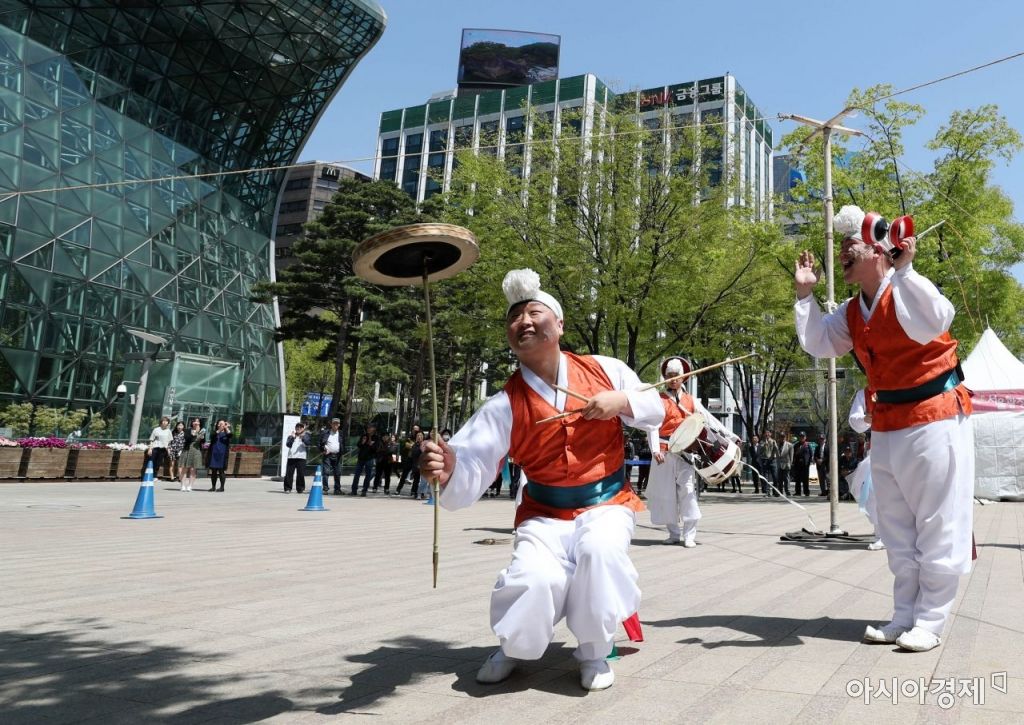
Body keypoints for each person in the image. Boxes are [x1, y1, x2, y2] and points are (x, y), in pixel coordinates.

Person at [420, 268, 663, 691]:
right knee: (534, 578)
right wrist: (449, 465)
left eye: (534, 312)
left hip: (607, 503)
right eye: (515, 317)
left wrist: (621, 400)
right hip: (543, 513)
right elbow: (471, 459)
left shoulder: (605, 370)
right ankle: (515, 647)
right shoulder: (505, 403)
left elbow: (655, 407)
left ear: (560, 324)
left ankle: (594, 650)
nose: (524, 322)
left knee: (600, 551)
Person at [794, 203, 973, 653]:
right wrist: (805, 296)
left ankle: (930, 620)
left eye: (850, 244)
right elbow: (819, 342)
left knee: (936, 521)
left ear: (878, 249)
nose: (841, 253)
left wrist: (906, 270)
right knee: (896, 527)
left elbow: (936, 320)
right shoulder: (853, 311)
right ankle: (904, 615)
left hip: (934, 415)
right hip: (888, 423)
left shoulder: (907, 285)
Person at [647, 357, 735, 547]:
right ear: (665, 377)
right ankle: (673, 533)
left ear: (683, 377)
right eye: (669, 375)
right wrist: (654, 449)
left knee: (687, 491)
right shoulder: (658, 399)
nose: (673, 379)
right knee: (666, 494)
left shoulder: (691, 400)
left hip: (686, 452)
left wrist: (730, 436)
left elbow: (709, 419)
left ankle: (689, 534)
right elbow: (652, 425)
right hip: (664, 451)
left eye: (676, 375)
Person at [848, 389, 884, 551]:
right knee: (874, 494)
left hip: (907, 448)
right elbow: (854, 419)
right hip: (879, 451)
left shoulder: (906, 384)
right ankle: (881, 535)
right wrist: (865, 419)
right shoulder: (866, 393)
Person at [179, 418, 206, 492]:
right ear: (192, 423)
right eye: (194, 421)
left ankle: (190, 486)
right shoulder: (187, 430)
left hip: (196, 450)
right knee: (184, 468)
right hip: (187, 450)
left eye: (198, 421)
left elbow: (203, 442)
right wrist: (195, 433)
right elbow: (187, 439)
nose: (196, 423)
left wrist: (202, 437)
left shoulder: (202, 430)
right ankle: (183, 485)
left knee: (193, 469)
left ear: (200, 423)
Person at [284, 422, 311, 494]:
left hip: (301, 457)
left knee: (300, 474)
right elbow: (288, 445)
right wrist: (293, 437)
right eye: (297, 427)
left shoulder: (306, 435)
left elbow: (308, 443)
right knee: (289, 474)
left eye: (300, 427)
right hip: (291, 457)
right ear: (295, 428)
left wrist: (303, 437)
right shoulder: (291, 436)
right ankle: (287, 488)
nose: (298, 428)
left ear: (303, 429)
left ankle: (300, 488)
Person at [351, 424, 378, 496]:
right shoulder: (364, 436)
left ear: (374, 429)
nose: (368, 429)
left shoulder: (376, 438)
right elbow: (358, 445)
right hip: (361, 458)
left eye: (370, 428)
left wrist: (371, 445)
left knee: (368, 475)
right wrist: (362, 442)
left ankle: (364, 490)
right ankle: (354, 490)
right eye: (367, 428)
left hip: (369, 459)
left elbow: (376, 449)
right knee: (356, 474)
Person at [319, 417, 344, 495]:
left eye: (337, 423)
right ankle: (325, 489)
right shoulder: (325, 433)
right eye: (334, 423)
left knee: (337, 473)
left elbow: (343, 444)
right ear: (331, 424)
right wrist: (323, 449)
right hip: (327, 455)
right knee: (326, 472)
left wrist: (342, 452)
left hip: (337, 455)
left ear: (339, 425)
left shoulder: (341, 433)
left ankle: (337, 489)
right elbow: (319, 443)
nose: (335, 425)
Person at [207, 419, 231, 492]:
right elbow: (212, 436)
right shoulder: (215, 432)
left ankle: (222, 487)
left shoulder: (226, 433)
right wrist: (219, 430)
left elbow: (230, 435)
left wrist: (227, 428)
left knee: (221, 471)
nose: (222, 425)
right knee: (213, 471)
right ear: (217, 425)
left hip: (222, 455)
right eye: (220, 424)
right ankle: (213, 487)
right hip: (214, 454)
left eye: (223, 424)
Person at [145, 416, 172, 480]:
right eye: (163, 421)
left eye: (166, 421)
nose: (165, 422)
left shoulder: (168, 431)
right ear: (161, 422)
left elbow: (169, 442)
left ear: (168, 423)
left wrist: (168, 450)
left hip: (163, 449)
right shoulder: (156, 430)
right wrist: (150, 449)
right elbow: (152, 440)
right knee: (152, 461)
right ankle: (148, 475)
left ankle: (154, 476)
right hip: (155, 448)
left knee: (158, 463)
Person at [776, 431, 793, 497]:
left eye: (783, 437)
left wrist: (790, 464)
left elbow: (791, 456)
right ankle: (780, 491)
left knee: (786, 478)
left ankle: (787, 491)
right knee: (779, 478)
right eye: (781, 437)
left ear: (785, 437)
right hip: (779, 464)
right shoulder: (777, 444)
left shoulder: (789, 445)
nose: (782, 438)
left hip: (786, 464)